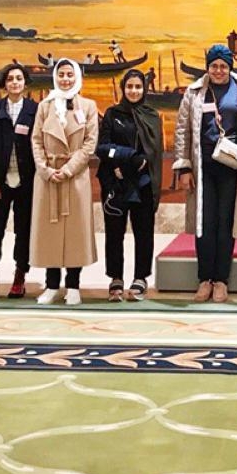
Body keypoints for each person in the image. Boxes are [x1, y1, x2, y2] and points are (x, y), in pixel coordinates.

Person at [173, 45, 237, 303]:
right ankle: (205, 279)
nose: (218, 70)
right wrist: (184, 167)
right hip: (202, 167)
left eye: (223, 66)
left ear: (230, 67)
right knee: (204, 223)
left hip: (232, 167)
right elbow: (182, 130)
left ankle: (222, 280)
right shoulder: (194, 93)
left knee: (226, 222)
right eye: (213, 66)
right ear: (207, 67)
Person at [30, 59, 99, 306]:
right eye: (61, 74)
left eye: (70, 74)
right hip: (48, 177)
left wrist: (68, 169)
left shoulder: (88, 107)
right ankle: (51, 285)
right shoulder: (44, 106)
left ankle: (73, 285)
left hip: (75, 178)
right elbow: (36, 140)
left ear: (78, 77)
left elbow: (90, 143)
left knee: (74, 235)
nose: (66, 79)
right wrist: (45, 169)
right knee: (49, 233)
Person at [97, 69, 164, 301]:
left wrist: (140, 161)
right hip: (116, 182)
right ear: (123, 88)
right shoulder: (112, 114)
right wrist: (129, 157)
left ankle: (140, 278)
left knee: (143, 232)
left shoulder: (152, 116)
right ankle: (115, 277)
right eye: (129, 87)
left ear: (144, 89)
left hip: (142, 183)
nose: (133, 91)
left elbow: (154, 152)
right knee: (114, 232)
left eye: (138, 87)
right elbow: (102, 147)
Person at [0, 62, 37, 299]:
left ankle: (20, 276)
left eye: (19, 78)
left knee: (24, 231)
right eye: (10, 79)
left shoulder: (35, 110)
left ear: (25, 83)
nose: (15, 82)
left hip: (27, 182)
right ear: (4, 83)